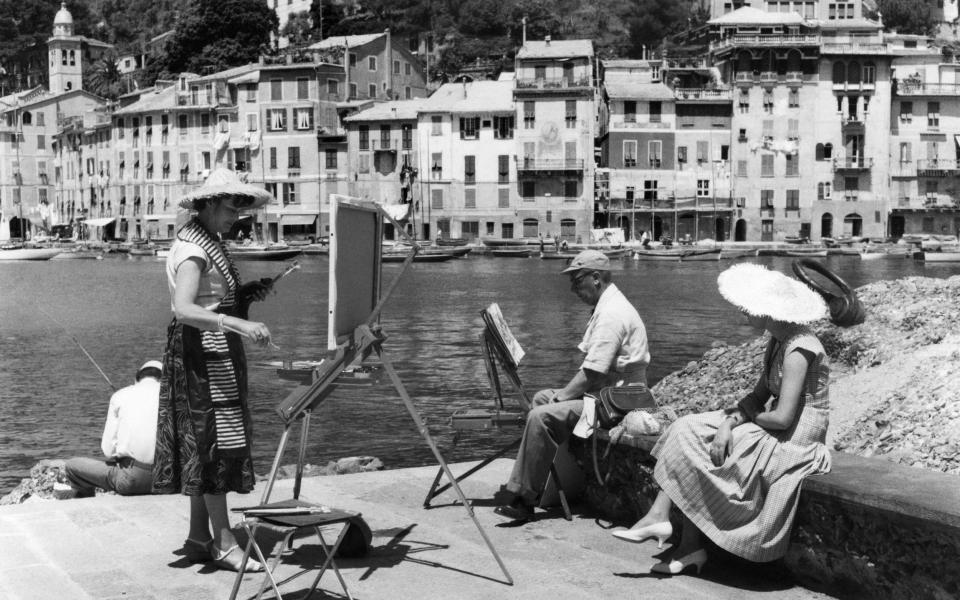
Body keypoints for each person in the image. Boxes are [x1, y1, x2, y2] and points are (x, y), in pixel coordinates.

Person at [612, 263, 831, 575]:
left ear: (766, 310)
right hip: (771, 423)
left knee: (703, 447)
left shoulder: (800, 348)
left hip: (794, 437)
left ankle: (686, 543)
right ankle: (663, 519)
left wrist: (734, 424)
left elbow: (782, 418)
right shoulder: (779, 340)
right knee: (685, 427)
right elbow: (757, 397)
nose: (742, 314)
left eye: (747, 308)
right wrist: (728, 423)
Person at [152, 168, 277, 573]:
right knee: (212, 442)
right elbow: (185, 309)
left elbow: (209, 303)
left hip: (210, 350)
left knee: (204, 440)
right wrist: (239, 323)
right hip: (201, 355)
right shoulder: (194, 250)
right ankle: (224, 543)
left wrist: (242, 298)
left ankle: (198, 537)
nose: (237, 215)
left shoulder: (205, 242)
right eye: (230, 206)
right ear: (207, 204)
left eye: (241, 207)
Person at [495, 250, 651, 522]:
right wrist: (558, 396)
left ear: (595, 278)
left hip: (617, 405)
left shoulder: (612, 314)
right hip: (608, 396)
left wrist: (562, 397)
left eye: (577, 281)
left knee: (541, 415)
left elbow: (592, 372)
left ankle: (522, 497)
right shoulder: (609, 305)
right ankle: (543, 481)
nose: (573, 289)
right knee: (544, 397)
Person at [64, 360, 163, 497]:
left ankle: (85, 501)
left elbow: (108, 451)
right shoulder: (172, 397)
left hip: (132, 480)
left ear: (137, 378)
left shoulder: (120, 396)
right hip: (169, 479)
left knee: (72, 466)